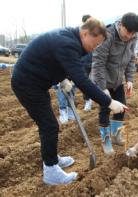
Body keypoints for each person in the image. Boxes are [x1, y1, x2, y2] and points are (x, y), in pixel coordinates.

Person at [11, 18, 127, 185]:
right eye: (95, 44)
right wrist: (108, 102)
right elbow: (82, 80)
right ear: (85, 33)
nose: (95, 48)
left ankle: (52, 158)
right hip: (27, 83)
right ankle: (50, 170)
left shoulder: (72, 39)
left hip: (37, 82)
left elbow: (62, 63)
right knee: (49, 125)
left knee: (50, 124)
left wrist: (64, 78)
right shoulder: (67, 42)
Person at [92, 12, 138, 154]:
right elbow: (98, 63)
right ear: (121, 25)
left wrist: (130, 80)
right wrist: (103, 88)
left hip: (118, 81)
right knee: (105, 109)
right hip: (103, 80)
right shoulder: (108, 35)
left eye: (133, 34)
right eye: (127, 33)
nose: (129, 37)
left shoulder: (133, 36)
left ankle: (116, 135)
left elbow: (131, 58)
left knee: (121, 108)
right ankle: (106, 141)